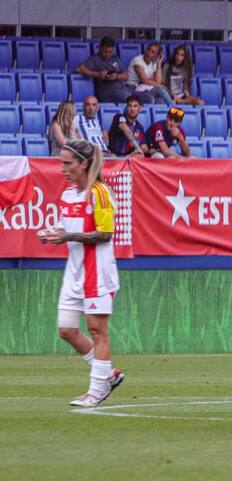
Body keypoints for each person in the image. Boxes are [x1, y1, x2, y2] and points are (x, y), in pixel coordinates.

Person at [36, 139, 124, 407]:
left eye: (67, 163)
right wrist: (53, 233)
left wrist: (68, 236)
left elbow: (106, 234)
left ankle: (96, 390)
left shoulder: (100, 193)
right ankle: (107, 374)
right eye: (61, 163)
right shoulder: (68, 195)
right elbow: (66, 229)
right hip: (74, 274)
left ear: (83, 164)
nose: (62, 168)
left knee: (98, 331)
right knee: (66, 330)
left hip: (98, 273)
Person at [76, 36, 134, 104]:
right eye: (105, 51)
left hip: (124, 88)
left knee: (146, 98)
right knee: (133, 101)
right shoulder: (95, 59)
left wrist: (116, 76)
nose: (108, 54)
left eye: (110, 52)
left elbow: (126, 75)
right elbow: (79, 68)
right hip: (107, 92)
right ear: (100, 48)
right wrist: (97, 74)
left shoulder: (115, 59)